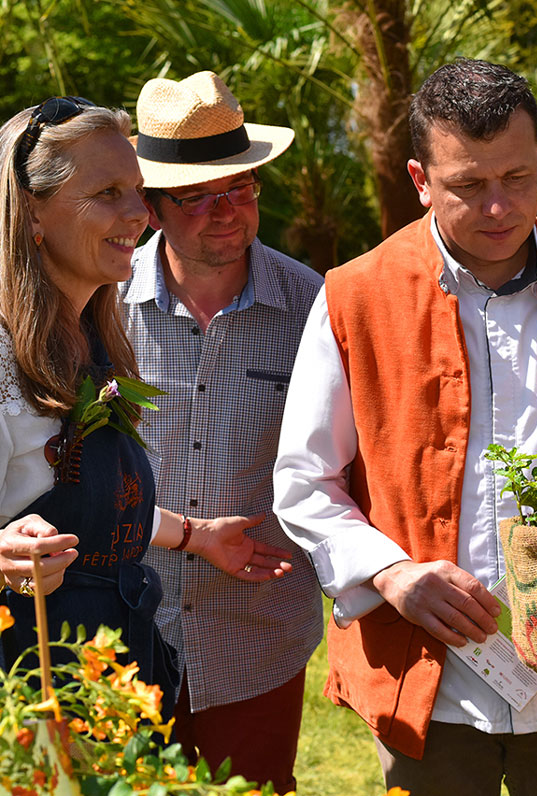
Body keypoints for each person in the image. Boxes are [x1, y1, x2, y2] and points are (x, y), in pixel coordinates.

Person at [273, 58, 537, 796]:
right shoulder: (353, 296)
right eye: (468, 185)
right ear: (420, 178)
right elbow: (304, 479)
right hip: (425, 681)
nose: (499, 207)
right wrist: (391, 572)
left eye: (517, 178)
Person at [0, 97, 290, 713]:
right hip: (28, 698)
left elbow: (94, 503)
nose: (141, 214)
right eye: (108, 193)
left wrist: (193, 534)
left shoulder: (96, 338)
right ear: (32, 213)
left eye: (138, 190)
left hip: (110, 680)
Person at [120, 71, 324, 791]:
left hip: (259, 633)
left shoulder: (314, 307)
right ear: (150, 208)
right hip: (123, 629)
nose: (226, 210)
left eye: (239, 187)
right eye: (197, 196)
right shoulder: (99, 308)